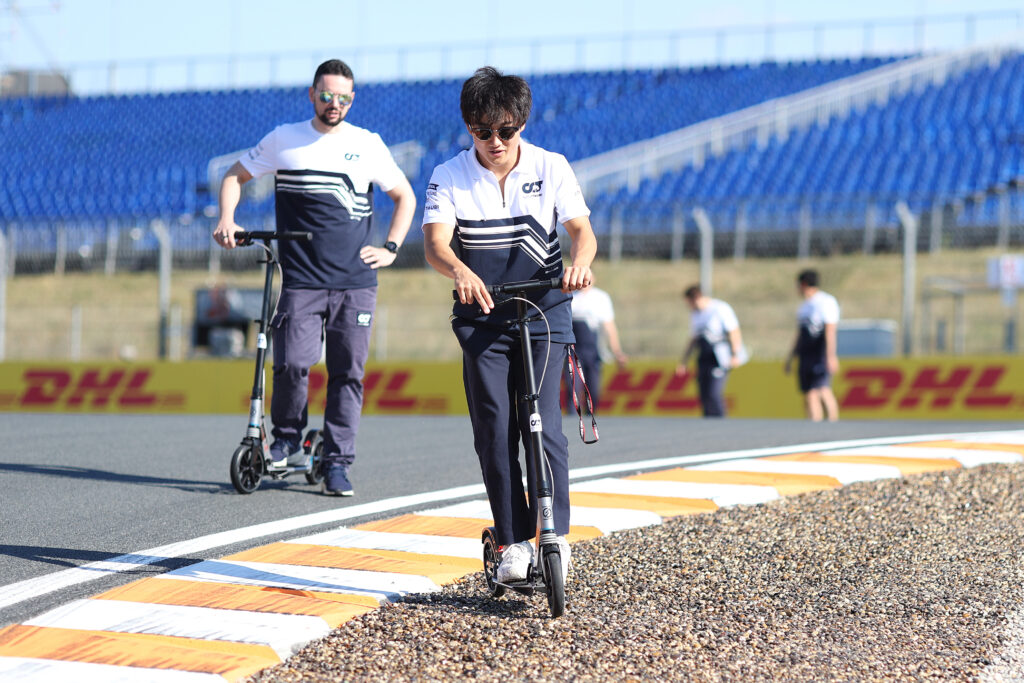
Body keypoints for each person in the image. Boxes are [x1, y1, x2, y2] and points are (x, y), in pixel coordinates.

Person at [422, 66, 597, 585]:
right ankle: (513, 539)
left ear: (521, 122)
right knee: (494, 431)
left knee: (543, 424)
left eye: (506, 130)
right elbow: (434, 243)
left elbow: (582, 232)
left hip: (544, 309)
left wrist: (580, 263)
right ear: (468, 126)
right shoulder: (448, 175)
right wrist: (458, 270)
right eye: (482, 131)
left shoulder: (552, 165)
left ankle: (554, 535)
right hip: (481, 316)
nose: (495, 142)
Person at [213, 59, 416, 496]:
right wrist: (227, 218)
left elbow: (404, 197)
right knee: (292, 364)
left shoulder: (368, 144)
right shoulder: (284, 139)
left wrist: (391, 248)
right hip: (302, 281)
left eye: (343, 98)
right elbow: (235, 175)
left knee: (348, 374)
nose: (334, 104)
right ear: (312, 94)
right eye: (326, 96)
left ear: (352, 99)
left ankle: (337, 462)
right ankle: (288, 438)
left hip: (356, 282)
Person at [674, 285, 744, 417]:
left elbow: (734, 331)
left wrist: (735, 354)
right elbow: (693, 339)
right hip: (703, 357)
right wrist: (684, 361)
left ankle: (720, 423)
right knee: (704, 393)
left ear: (696, 298)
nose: (689, 306)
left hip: (719, 357)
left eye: (689, 302)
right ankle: (707, 426)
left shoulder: (720, 309)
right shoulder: (695, 314)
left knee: (713, 393)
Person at [784, 269, 841, 422]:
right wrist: (791, 357)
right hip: (805, 355)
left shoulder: (826, 302)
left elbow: (830, 331)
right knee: (809, 393)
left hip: (819, 354)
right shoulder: (804, 307)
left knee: (822, 389)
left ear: (803, 284)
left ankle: (832, 422)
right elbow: (800, 335)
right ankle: (814, 425)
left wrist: (831, 356)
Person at [563, 281, 627, 413]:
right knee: (573, 388)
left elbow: (609, 326)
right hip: (572, 349)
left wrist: (617, 352)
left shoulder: (600, 297)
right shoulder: (568, 295)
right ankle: (573, 422)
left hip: (593, 350)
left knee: (593, 391)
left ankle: (591, 419)